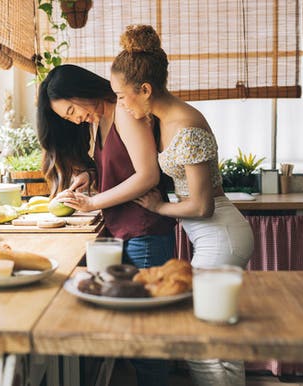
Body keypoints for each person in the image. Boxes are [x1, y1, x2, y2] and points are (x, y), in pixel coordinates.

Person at [110, 25, 255, 386]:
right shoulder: (161, 118)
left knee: (201, 339)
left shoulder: (186, 126)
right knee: (217, 336)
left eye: (122, 96)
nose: (122, 106)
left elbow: (202, 206)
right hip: (210, 236)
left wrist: (159, 208)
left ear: (145, 90)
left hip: (221, 234)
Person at [37, 64, 176, 385]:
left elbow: (147, 176)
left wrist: (92, 203)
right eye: (66, 117)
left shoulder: (125, 113)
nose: (74, 119)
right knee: (137, 336)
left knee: (147, 339)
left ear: (82, 90)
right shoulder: (100, 121)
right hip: (127, 232)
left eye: (72, 109)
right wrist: (90, 177)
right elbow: (121, 171)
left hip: (144, 232)